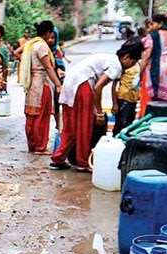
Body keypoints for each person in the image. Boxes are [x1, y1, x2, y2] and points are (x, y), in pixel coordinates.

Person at [50, 40, 143, 171]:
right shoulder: (116, 65)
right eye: (132, 62)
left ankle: (58, 158)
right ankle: (83, 163)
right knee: (85, 126)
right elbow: (98, 88)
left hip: (71, 83)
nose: (131, 66)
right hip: (82, 84)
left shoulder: (109, 58)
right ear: (127, 57)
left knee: (70, 126)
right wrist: (99, 112)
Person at [19, 21, 62, 154]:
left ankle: (32, 144)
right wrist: (58, 84)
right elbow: (48, 67)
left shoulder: (30, 45)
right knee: (42, 116)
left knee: (31, 115)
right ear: (48, 33)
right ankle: (40, 146)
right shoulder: (42, 46)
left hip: (31, 82)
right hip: (42, 84)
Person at [114, 47, 142, 136]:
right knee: (121, 122)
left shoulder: (138, 64)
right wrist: (114, 103)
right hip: (123, 98)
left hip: (133, 98)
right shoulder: (123, 66)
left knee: (130, 122)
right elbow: (114, 85)